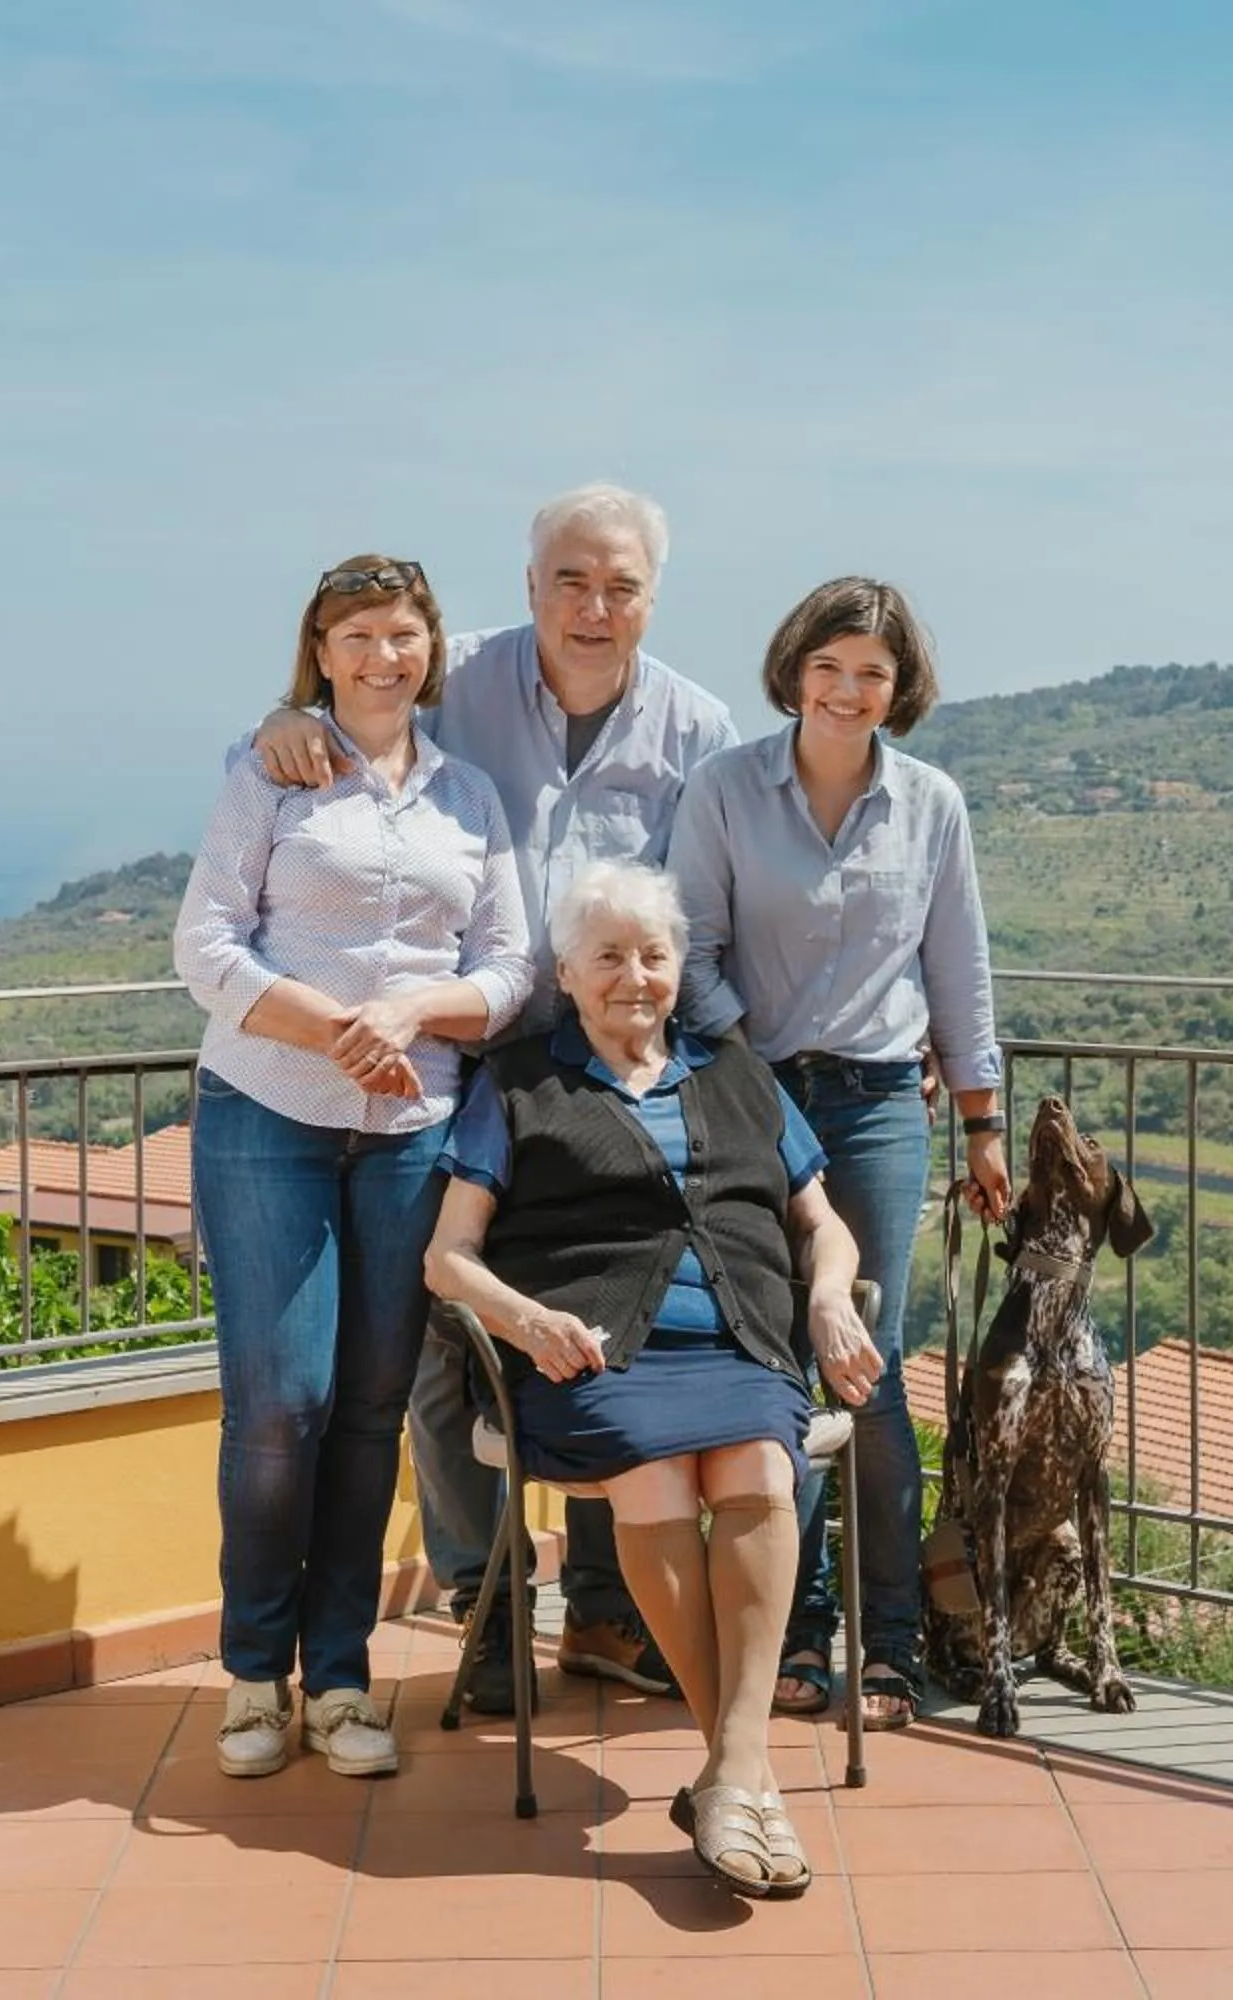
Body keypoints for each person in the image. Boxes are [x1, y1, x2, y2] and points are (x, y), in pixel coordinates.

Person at [256, 485, 737, 1713]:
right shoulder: (453, 678)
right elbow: (352, 688)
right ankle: (485, 1596)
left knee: (609, 1316)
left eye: (619, 585)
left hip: (605, 1072)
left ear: (651, 597)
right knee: (441, 1344)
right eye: (569, 580)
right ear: (529, 586)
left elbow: (695, 915)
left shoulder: (698, 726)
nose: (592, 606)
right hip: (462, 1062)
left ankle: (611, 1614)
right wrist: (286, 715)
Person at [423, 861, 875, 1897]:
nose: (636, 975)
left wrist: (828, 1297)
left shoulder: (736, 1072)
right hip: (589, 1357)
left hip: (740, 1344)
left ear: (681, 970)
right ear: (568, 974)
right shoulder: (520, 1082)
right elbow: (447, 1257)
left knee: (761, 1467)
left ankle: (728, 1768)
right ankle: (746, 1770)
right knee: (657, 1476)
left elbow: (821, 1222)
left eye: (655, 955)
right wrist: (528, 1319)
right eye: (610, 956)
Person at [174, 555, 532, 1780]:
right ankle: (250, 1676)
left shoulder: (470, 797)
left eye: (405, 633)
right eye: (360, 635)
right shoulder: (269, 768)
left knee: (373, 1406)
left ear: (432, 648)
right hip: (268, 1110)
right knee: (280, 1405)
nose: (387, 655)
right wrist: (332, 1029)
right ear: (321, 650)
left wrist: (418, 1007)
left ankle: (337, 1679)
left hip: (410, 1132)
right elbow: (205, 945)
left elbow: (510, 967)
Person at [668, 575, 1011, 1732]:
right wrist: (748, 1077)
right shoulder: (723, 790)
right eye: (831, 664)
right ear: (794, 667)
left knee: (871, 1367)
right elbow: (693, 947)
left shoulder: (932, 804)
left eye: (874, 670)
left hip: (873, 1104)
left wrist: (981, 1119)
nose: (850, 688)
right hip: (747, 1094)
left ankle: (891, 1642)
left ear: (900, 684)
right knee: (773, 1363)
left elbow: (958, 969)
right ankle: (801, 1632)